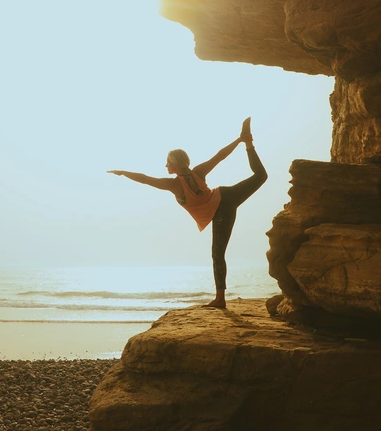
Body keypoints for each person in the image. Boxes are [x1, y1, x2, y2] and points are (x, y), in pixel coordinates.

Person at [108, 118, 267, 308]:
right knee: (261, 176)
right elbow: (220, 156)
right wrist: (239, 140)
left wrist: (123, 172)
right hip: (227, 197)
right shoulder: (198, 171)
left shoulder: (174, 185)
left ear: (175, 163)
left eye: (167, 162)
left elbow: (145, 179)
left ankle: (220, 300)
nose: (165, 166)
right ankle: (249, 142)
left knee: (217, 254)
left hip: (221, 209)